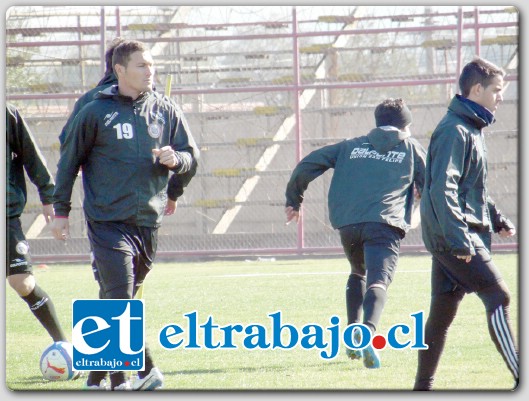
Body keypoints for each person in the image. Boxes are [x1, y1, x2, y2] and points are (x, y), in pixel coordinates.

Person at [50, 40, 199, 391]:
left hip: (147, 221)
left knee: (117, 296)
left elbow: (191, 158)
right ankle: (140, 372)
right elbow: (68, 160)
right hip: (106, 220)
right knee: (120, 296)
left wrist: (176, 164)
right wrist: (61, 210)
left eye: (152, 65)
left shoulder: (165, 109)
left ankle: (97, 377)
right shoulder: (93, 110)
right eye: (143, 66)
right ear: (120, 70)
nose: (151, 71)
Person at [285, 98, 426, 369]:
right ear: (405, 126)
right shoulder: (411, 148)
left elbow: (307, 164)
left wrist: (294, 200)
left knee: (357, 272)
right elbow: (431, 183)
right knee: (378, 281)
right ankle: (368, 335)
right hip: (384, 224)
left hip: (348, 225)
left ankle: (352, 335)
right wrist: (420, 190)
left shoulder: (350, 146)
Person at [413, 57, 518, 390]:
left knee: (441, 316)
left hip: (455, 231)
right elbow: (442, 188)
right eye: (496, 91)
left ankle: (421, 388)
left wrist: (496, 217)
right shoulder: (455, 130)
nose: (500, 97)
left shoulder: (470, 127)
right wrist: (459, 240)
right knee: (498, 296)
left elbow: (470, 189)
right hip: (454, 236)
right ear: (477, 89)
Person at [6, 104, 70, 346]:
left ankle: (62, 346)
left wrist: (48, 195)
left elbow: (31, 155)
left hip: (6, 216)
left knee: (22, 282)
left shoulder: (7, 114)